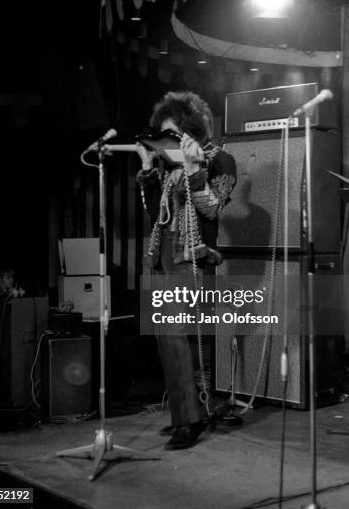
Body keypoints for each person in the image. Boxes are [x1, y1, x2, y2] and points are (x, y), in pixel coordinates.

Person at [136, 90, 236, 450]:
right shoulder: (166, 166)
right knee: (167, 338)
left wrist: (194, 172)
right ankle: (189, 412)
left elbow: (213, 208)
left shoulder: (221, 160)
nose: (166, 142)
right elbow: (153, 215)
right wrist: (149, 171)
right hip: (161, 256)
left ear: (189, 130)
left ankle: (188, 420)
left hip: (192, 258)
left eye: (171, 134)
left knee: (175, 334)